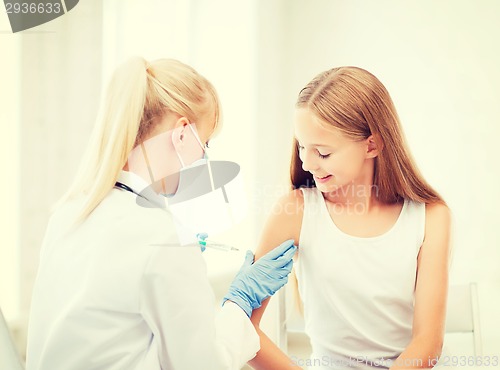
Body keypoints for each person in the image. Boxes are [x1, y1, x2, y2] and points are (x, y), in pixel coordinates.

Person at [25, 57, 297, 370]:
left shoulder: (67, 214)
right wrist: (239, 302)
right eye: (205, 143)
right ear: (182, 133)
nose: (204, 158)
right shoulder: (163, 234)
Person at [248, 67, 451, 370]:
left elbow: (428, 342)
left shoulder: (431, 217)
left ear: (372, 145)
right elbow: (243, 329)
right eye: (302, 147)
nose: (308, 162)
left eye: (324, 153)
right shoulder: (294, 212)